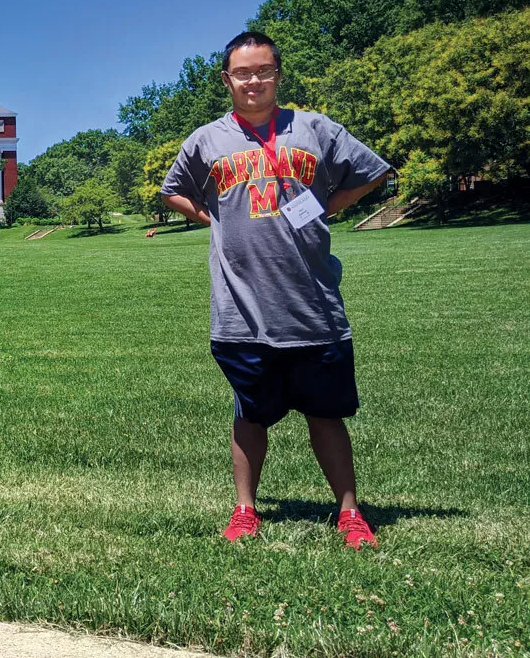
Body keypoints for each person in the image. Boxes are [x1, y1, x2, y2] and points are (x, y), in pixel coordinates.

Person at [160, 32, 390, 548]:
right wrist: (212, 217)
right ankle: (245, 511)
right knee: (249, 412)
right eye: (243, 73)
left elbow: (372, 171)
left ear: (277, 74)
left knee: (326, 415)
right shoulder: (206, 140)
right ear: (227, 80)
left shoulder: (313, 128)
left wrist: (329, 206)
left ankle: (349, 513)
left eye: (263, 70)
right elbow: (173, 189)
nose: (254, 80)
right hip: (241, 309)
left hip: (313, 307)